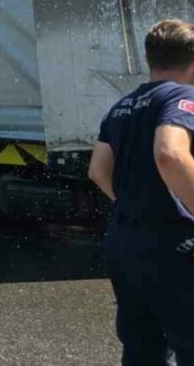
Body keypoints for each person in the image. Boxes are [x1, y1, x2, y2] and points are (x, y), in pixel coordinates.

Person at [90, 19, 194, 365]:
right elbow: (170, 154)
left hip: (124, 244)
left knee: (142, 349)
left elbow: (98, 170)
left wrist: (138, 203)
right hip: (172, 244)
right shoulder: (184, 97)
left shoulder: (121, 106)